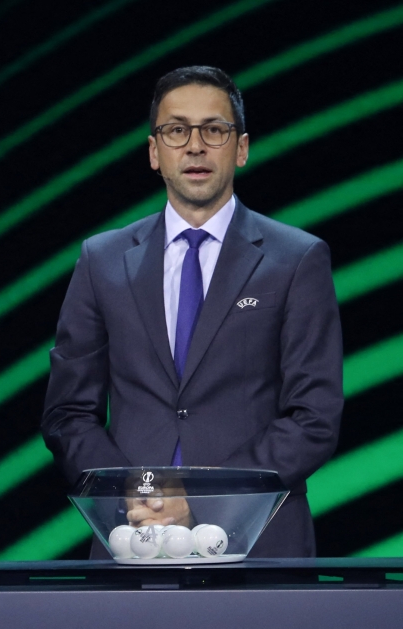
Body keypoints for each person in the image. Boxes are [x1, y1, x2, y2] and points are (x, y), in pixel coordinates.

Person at [41, 66, 342, 557]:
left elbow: (313, 417)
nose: (196, 146)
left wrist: (206, 499)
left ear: (240, 148)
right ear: (154, 152)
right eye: (177, 130)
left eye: (214, 130)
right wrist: (133, 493)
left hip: (260, 541)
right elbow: (68, 412)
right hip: (130, 539)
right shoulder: (102, 260)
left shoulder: (296, 259)